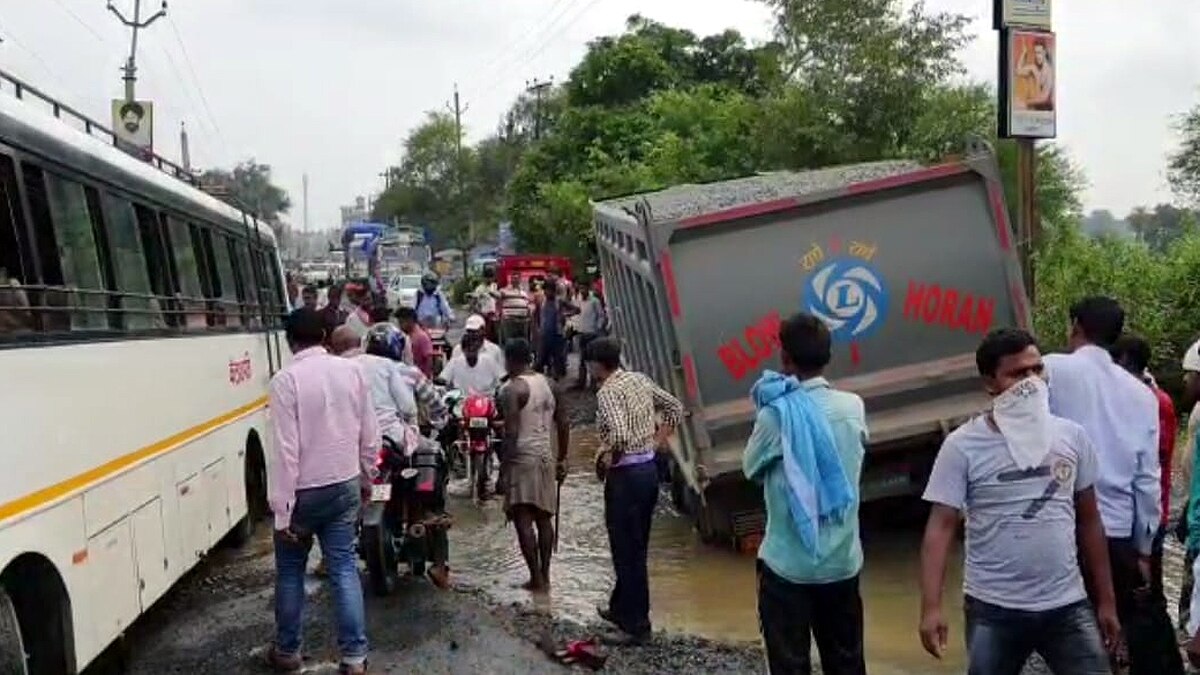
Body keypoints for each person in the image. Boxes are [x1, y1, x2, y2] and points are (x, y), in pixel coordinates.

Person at [919, 327, 1119, 675]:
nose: (1031, 382)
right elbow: (941, 527)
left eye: (1036, 370)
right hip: (993, 609)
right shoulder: (962, 446)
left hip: (1067, 605)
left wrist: (1106, 601)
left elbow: (1090, 520)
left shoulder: (1071, 437)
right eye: (1017, 374)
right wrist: (931, 607)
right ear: (990, 383)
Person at [1043, 297, 1181, 675]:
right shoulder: (1142, 394)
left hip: (1063, 528)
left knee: (1066, 638)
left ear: (1075, 326)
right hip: (1118, 536)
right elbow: (1147, 479)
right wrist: (1143, 549)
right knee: (1116, 630)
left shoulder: (1052, 370)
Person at [742, 313, 866, 675]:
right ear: (828, 356)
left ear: (785, 358)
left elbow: (751, 467)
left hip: (787, 567)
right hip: (842, 563)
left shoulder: (776, 416)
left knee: (789, 664)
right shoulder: (853, 407)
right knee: (846, 662)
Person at [265, 308, 377, 675]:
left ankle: (288, 651)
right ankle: (355, 658)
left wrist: (282, 513)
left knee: (291, 572)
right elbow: (368, 430)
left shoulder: (285, 380)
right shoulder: (352, 371)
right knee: (344, 567)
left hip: (303, 494)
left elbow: (286, 451)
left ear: (290, 340)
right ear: (325, 336)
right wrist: (366, 475)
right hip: (344, 483)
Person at [587, 336, 683, 644]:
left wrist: (602, 455)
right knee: (635, 545)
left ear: (596, 365)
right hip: (647, 472)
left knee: (626, 550)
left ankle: (637, 626)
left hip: (626, 475)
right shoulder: (638, 379)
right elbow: (674, 408)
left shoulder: (608, 391)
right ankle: (621, 608)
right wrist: (656, 441)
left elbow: (618, 434)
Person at [355, 323, 452, 587]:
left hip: (358, 444)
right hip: (394, 442)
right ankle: (440, 564)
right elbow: (430, 407)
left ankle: (330, 556)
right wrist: (439, 421)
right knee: (433, 462)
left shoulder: (350, 366)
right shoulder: (408, 373)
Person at [497, 338, 569, 592]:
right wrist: (562, 459)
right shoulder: (551, 384)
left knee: (523, 519)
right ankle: (546, 577)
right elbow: (563, 423)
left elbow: (511, 433)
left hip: (522, 457)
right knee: (544, 518)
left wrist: (503, 471)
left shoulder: (511, 389)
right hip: (546, 456)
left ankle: (535, 579)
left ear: (509, 359)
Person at [1111, 334, 1176, 600]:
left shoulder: (1153, 402)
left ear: (1124, 361)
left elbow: (1154, 461)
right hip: (1130, 513)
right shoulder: (1146, 398)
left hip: (1148, 514)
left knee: (1147, 594)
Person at [440, 333, 505, 395]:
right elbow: (442, 379)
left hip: (486, 400)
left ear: (478, 348)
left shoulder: (489, 360)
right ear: (463, 350)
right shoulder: (455, 362)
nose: (471, 352)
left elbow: (503, 377)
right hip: (462, 401)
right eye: (469, 349)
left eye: (474, 349)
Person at [535, 280, 575, 379]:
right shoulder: (541, 301)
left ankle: (557, 378)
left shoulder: (559, 301)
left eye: (550, 291)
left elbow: (576, 309)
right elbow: (536, 315)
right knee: (541, 359)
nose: (548, 293)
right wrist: (537, 329)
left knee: (558, 358)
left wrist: (564, 315)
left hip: (557, 333)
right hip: (544, 333)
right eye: (546, 290)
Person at [573, 280, 606, 390]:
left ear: (588, 289)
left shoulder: (594, 301)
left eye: (584, 288)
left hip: (592, 333)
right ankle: (581, 382)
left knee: (592, 359)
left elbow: (601, 316)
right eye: (581, 288)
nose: (583, 291)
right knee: (582, 359)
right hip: (581, 332)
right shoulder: (578, 301)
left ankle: (593, 383)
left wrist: (598, 328)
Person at [396, 306, 434, 378]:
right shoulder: (404, 335)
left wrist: (425, 377)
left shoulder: (421, 336)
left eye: (401, 322)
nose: (400, 325)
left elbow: (429, 359)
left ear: (410, 320)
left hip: (418, 377)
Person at [1017, 37, 1054, 111]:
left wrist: (1026, 102)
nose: (1037, 56)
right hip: (1036, 110)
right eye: (1036, 53)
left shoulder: (1049, 71)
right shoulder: (1034, 68)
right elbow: (1019, 71)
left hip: (1046, 112)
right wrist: (1024, 53)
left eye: (1039, 53)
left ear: (1045, 52)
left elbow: (1044, 98)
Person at [498, 273, 532, 344]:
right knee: (510, 341)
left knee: (522, 342)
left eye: (517, 278)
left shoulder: (524, 292)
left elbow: (528, 304)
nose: (515, 280)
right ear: (511, 280)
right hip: (509, 320)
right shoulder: (504, 291)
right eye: (513, 278)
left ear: (520, 280)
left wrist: (529, 314)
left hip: (523, 320)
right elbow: (497, 296)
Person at [471, 267, 501, 341]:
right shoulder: (479, 289)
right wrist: (480, 313)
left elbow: (499, 299)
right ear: (484, 278)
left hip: (495, 315)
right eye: (488, 277)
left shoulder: (495, 286)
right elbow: (474, 303)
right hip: (484, 315)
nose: (490, 279)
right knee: (485, 336)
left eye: (491, 277)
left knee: (496, 337)